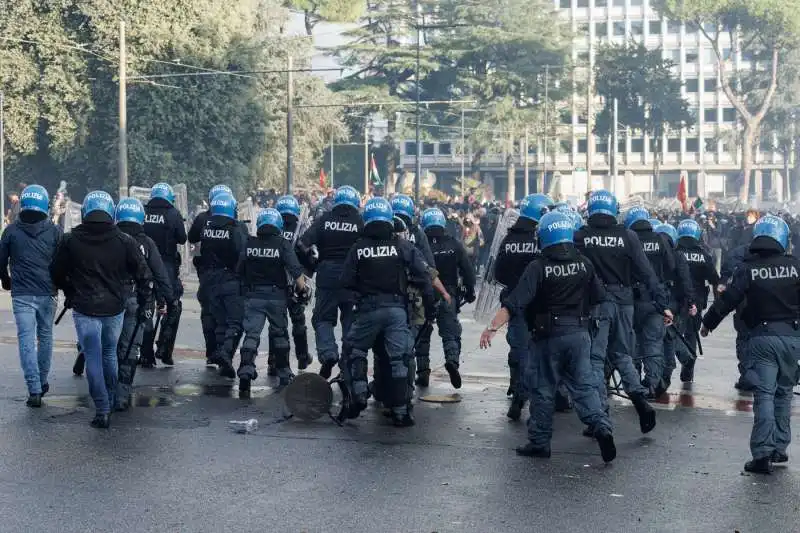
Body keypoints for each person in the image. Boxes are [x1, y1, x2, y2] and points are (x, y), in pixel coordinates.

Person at [479, 211, 616, 463]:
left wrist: (492, 327)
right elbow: (599, 297)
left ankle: (540, 442)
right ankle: (601, 426)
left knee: (542, 390)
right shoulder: (584, 263)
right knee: (584, 388)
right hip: (579, 335)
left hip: (548, 338)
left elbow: (515, 303)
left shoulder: (538, 266)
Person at [700, 215, 800, 474]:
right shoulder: (795, 266)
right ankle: (780, 448)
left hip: (761, 337)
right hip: (791, 337)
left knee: (764, 394)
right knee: (784, 393)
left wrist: (708, 322)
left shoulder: (748, 268)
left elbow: (728, 300)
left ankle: (762, 455)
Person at [50, 191, 153, 428]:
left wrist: (70, 291)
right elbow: (144, 273)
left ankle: (102, 409)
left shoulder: (70, 240)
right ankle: (113, 396)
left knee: (93, 358)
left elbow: (55, 272)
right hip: (114, 308)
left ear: (85, 212)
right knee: (109, 354)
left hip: (84, 308)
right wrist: (145, 300)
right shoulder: (124, 240)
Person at [574, 192, 671, 436]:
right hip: (625, 302)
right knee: (622, 354)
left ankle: (600, 417)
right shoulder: (628, 236)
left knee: (595, 360)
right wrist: (661, 302)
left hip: (597, 303)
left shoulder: (582, 237)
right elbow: (647, 272)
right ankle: (639, 399)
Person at [339, 197, 436, 427]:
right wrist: (430, 311)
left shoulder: (358, 249)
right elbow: (425, 275)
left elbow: (345, 282)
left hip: (367, 311)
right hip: (396, 311)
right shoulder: (401, 246)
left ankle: (360, 394)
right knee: (399, 360)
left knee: (356, 351)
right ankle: (402, 412)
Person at [0, 185, 61, 407]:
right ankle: (42, 381)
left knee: (26, 339)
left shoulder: (11, 231)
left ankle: (34, 388)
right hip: (48, 292)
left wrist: (6, 281)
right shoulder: (54, 231)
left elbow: (0, 262)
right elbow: (62, 261)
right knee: (45, 337)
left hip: (21, 293)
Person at [493, 193, 551, 420]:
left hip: (514, 302)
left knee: (519, 348)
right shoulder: (544, 239)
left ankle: (517, 390)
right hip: (542, 303)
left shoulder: (509, 239)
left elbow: (497, 273)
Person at [113, 198, 175, 410]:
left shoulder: (108, 238)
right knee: (130, 348)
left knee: (108, 346)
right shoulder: (146, 243)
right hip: (137, 299)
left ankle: (106, 391)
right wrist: (169, 300)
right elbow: (160, 274)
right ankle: (121, 394)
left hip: (108, 298)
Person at [237, 208, 307, 392]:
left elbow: (239, 269)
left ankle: (245, 369)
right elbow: (295, 270)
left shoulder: (249, 243)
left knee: (251, 335)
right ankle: (284, 373)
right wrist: (303, 289)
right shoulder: (282, 244)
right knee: (279, 335)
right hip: (277, 297)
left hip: (253, 296)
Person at [298, 185, 364, 379]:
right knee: (350, 322)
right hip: (352, 276)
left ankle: (328, 354)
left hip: (327, 273)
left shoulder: (324, 220)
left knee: (322, 319)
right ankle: (347, 365)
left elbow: (302, 244)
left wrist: (313, 263)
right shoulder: (360, 222)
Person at [416, 207, 476, 389]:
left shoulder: (421, 245)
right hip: (449, 293)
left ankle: (423, 372)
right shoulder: (454, 244)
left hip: (425, 293)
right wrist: (470, 291)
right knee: (450, 333)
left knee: (422, 333)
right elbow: (468, 270)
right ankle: (452, 360)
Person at [199, 191, 247, 378]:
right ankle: (226, 352)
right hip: (230, 279)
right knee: (236, 321)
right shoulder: (236, 228)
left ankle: (219, 353)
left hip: (210, 279)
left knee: (219, 320)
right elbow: (242, 254)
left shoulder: (207, 226)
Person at [140, 182, 187, 367]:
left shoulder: (143, 212)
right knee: (173, 306)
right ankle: (164, 349)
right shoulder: (173, 214)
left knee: (146, 309)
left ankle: (145, 354)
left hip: (143, 265)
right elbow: (182, 238)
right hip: (166, 267)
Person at [188, 184, 233, 366]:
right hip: (228, 275)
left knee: (208, 312)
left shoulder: (202, 219)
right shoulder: (233, 221)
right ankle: (223, 352)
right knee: (225, 315)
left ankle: (211, 351)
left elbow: (191, 238)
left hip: (206, 273)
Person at [673, 219, 720, 384]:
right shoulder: (704, 254)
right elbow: (714, 278)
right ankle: (688, 371)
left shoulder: (673, 251)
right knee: (691, 334)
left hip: (677, 299)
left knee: (674, 332)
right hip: (697, 300)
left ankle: (681, 361)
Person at [275, 195, 312, 372]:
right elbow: (310, 256)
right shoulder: (302, 229)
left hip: (276, 283)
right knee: (298, 321)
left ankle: (273, 361)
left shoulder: (273, 228)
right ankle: (302, 357)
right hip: (297, 282)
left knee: (277, 324)